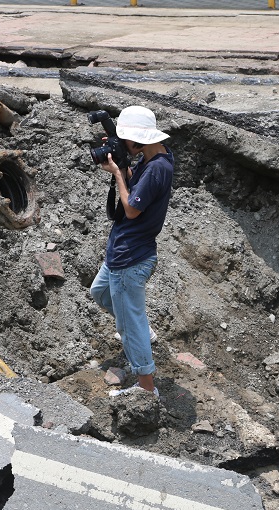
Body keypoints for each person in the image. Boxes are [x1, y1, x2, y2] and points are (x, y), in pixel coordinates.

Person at [89, 105, 174, 397]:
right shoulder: (155, 157)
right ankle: (141, 329)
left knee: (129, 325)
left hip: (131, 257)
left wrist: (117, 174)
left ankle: (146, 388)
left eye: (125, 139)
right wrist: (122, 163)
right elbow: (137, 188)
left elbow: (132, 209)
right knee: (99, 292)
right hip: (124, 252)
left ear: (139, 139)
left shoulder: (157, 168)